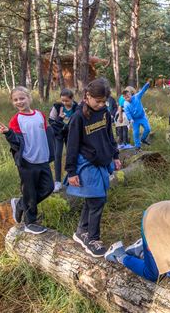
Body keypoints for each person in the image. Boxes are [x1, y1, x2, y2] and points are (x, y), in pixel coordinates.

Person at [65, 78, 122, 257]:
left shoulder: (104, 112)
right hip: (86, 162)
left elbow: (109, 135)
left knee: (94, 199)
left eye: (104, 101)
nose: (101, 104)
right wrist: (71, 171)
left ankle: (81, 231)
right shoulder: (78, 117)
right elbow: (72, 145)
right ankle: (92, 239)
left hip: (102, 161)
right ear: (87, 96)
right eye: (98, 101)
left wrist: (115, 155)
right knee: (97, 200)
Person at [0, 86, 55, 235]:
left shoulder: (40, 115)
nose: (19, 102)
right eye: (15, 100)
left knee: (48, 188)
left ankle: (21, 204)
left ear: (29, 98)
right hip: (27, 162)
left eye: (22, 98)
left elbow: (47, 135)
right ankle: (30, 222)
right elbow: (16, 142)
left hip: (42, 159)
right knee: (30, 191)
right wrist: (8, 133)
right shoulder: (16, 120)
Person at [49, 88, 78, 192]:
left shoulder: (77, 107)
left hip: (71, 135)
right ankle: (57, 182)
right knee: (57, 155)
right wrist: (60, 118)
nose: (64, 103)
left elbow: (78, 122)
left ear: (72, 99)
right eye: (63, 100)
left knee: (71, 154)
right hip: (59, 134)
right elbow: (51, 121)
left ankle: (72, 177)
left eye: (67, 101)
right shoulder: (57, 107)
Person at [123, 80, 152, 153]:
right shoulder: (125, 104)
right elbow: (127, 113)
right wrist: (130, 119)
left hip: (142, 117)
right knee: (136, 133)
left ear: (130, 94)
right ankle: (137, 147)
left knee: (148, 129)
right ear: (124, 98)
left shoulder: (136, 97)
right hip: (134, 120)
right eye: (125, 97)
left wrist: (147, 84)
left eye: (128, 96)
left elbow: (143, 91)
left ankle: (143, 139)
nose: (127, 98)